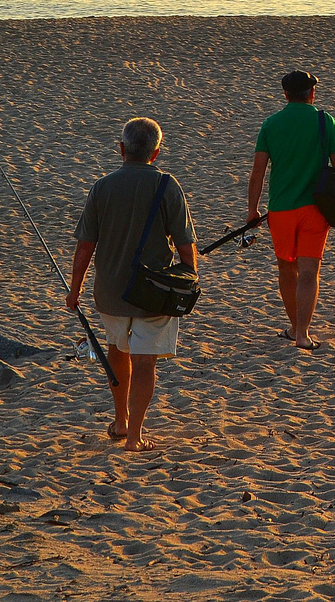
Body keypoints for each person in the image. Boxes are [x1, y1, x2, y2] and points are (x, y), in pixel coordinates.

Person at [67, 117, 198, 452]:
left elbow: (85, 246)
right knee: (144, 362)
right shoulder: (168, 185)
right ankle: (135, 436)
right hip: (153, 291)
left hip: (110, 291)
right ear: (155, 153)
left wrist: (75, 288)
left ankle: (120, 420)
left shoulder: (102, 187)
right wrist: (188, 280)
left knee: (117, 351)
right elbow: (186, 247)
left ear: (122, 149)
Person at [248, 69, 335, 351]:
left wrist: (253, 210)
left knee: (286, 268)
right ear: (312, 93)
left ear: (285, 95)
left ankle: (294, 327)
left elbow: (258, 172)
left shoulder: (271, 124)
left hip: (281, 209)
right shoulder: (323, 120)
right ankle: (303, 334)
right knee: (309, 271)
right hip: (315, 208)